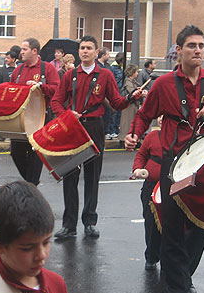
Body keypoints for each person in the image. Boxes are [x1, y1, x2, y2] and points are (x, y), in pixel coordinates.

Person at [124, 25, 204, 293]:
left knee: (203, 225)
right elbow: (144, 114)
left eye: (202, 46)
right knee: (173, 229)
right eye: (192, 46)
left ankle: (182, 276)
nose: (198, 50)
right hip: (174, 165)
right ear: (179, 50)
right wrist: (134, 135)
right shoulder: (163, 84)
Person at [51, 36, 142, 240]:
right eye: (82, 48)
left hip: (94, 127)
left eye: (89, 48)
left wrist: (131, 97)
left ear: (95, 51)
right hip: (73, 128)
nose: (84, 51)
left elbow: (117, 102)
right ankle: (69, 225)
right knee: (70, 177)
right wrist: (66, 115)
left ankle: (90, 223)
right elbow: (56, 101)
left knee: (92, 177)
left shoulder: (106, 75)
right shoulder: (70, 75)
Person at [9, 38, 60, 185]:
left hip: (40, 119)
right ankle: (31, 183)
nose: (21, 52)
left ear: (35, 51)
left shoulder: (47, 69)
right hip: (21, 119)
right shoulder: (18, 70)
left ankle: (31, 185)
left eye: (25, 49)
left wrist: (40, 86)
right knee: (16, 152)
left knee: (35, 154)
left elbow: (57, 90)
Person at [131, 116, 163, 272]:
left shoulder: (181, 137)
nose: (163, 120)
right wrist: (137, 168)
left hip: (171, 186)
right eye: (161, 117)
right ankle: (151, 256)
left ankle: (167, 257)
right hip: (150, 186)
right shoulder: (152, 136)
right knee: (150, 223)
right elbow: (141, 155)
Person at [119, 64, 141, 141]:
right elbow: (132, 92)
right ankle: (124, 138)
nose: (137, 73)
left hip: (133, 105)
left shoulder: (133, 82)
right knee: (127, 123)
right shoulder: (128, 82)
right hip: (129, 106)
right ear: (132, 72)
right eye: (136, 72)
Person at [107, 52, 125, 140]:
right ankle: (111, 130)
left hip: (120, 93)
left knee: (119, 113)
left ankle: (116, 129)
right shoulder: (113, 68)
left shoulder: (121, 68)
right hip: (115, 92)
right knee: (113, 113)